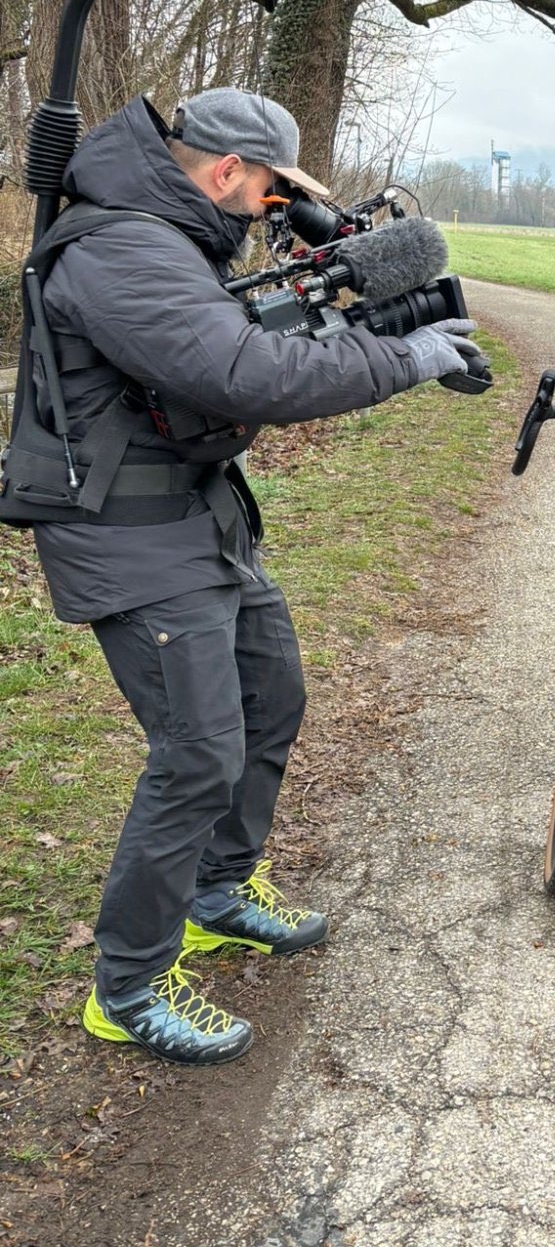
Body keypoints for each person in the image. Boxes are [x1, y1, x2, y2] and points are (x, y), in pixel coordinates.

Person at [8, 89, 483, 1067]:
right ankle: (129, 984)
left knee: (272, 696)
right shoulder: (120, 248)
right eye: (269, 190)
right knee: (197, 753)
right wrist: (399, 358)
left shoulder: (168, 239)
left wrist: (352, 320)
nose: (273, 208)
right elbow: (243, 374)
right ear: (226, 171)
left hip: (191, 514)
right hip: (127, 531)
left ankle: (218, 892)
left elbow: (237, 351)